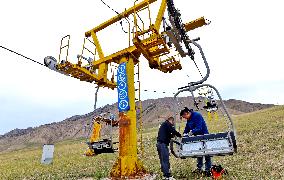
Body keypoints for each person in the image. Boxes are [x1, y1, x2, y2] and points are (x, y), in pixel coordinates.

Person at [180, 107, 212, 177]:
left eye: (184, 117)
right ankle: (199, 168)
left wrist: (191, 132)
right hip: (197, 138)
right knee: (199, 152)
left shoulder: (197, 115)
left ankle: (208, 169)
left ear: (187, 113)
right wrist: (184, 134)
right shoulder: (189, 119)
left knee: (207, 153)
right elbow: (187, 128)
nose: (185, 118)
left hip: (204, 136)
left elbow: (199, 127)